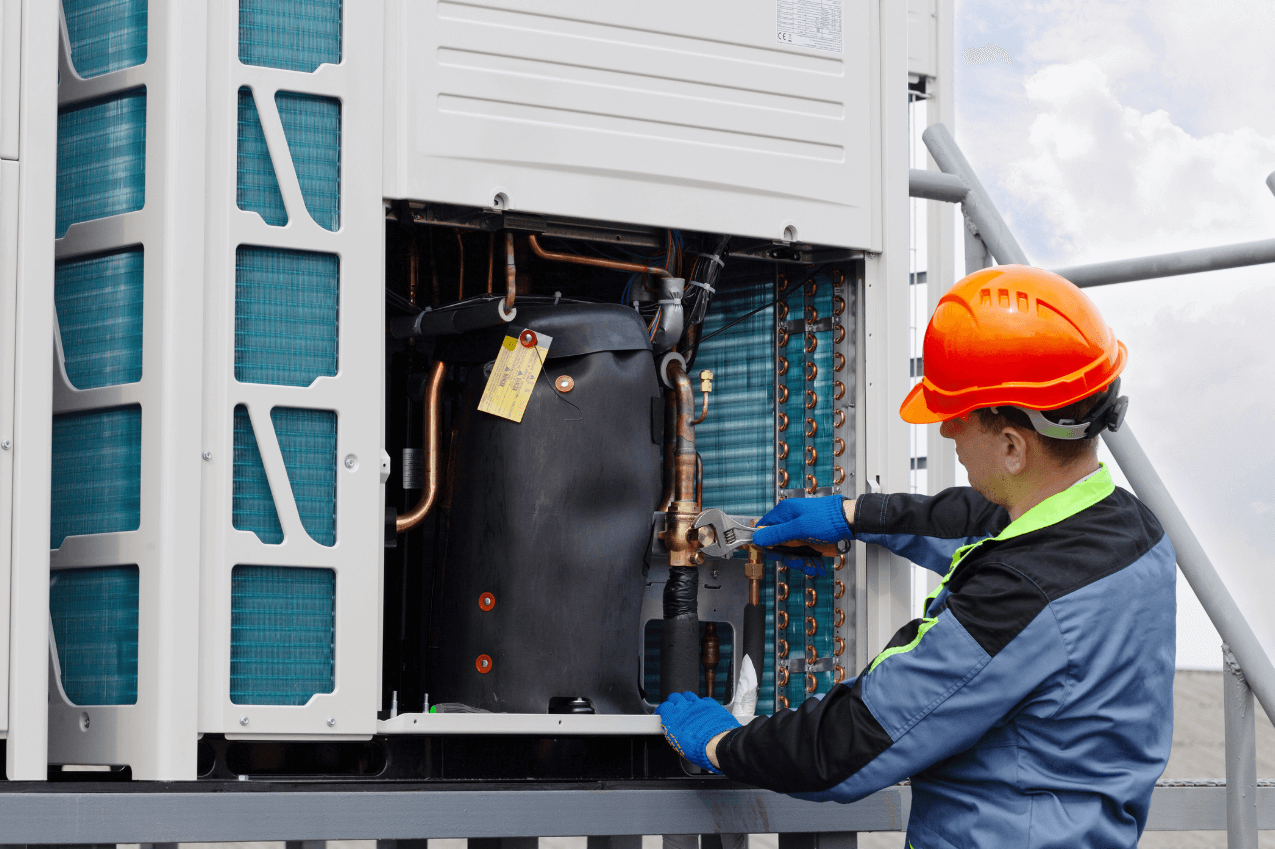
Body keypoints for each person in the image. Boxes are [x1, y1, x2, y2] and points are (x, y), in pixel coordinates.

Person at [656, 265, 1176, 849]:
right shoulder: (1134, 531)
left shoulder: (1020, 598)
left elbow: (852, 743)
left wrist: (722, 742)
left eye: (958, 417)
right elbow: (984, 521)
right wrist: (854, 515)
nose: (947, 432)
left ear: (1012, 446)